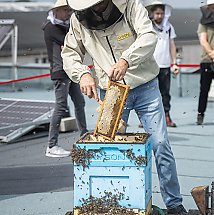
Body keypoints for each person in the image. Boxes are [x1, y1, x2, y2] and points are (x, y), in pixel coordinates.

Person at [62, 0, 187, 213]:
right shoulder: (78, 19)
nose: (97, 7)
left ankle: (174, 204)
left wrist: (126, 60)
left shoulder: (130, 6)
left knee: (160, 144)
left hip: (145, 86)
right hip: (110, 91)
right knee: (108, 148)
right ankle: (112, 204)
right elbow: (69, 52)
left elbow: (148, 35)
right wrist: (82, 73)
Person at [42, 0, 88, 158]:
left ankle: (84, 136)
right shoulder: (51, 27)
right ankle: (51, 145)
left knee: (80, 102)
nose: (69, 12)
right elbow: (70, 41)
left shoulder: (62, 26)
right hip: (60, 71)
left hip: (69, 70)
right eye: (66, 10)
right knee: (61, 106)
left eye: (70, 10)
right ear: (56, 11)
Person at [139, 1, 179, 128]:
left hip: (165, 65)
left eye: (161, 13)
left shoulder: (169, 27)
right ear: (152, 13)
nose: (159, 16)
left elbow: (172, 45)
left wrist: (174, 63)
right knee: (148, 93)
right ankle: (145, 120)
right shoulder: (148, 27)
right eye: (157, 13)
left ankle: (167, 116)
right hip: (150, 66)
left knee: (165, 93)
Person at [197, 0, 214, 125]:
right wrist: (212, 54)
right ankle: (200, 114)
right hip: (206, 61)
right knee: (204, 89)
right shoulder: (203, 22)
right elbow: (203, 40)